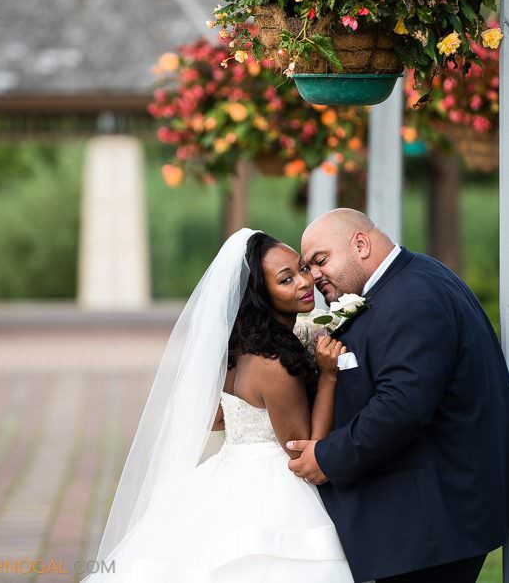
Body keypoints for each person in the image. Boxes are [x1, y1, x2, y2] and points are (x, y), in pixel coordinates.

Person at [81, 229, 357, 583]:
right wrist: (329, 377)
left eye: (303, 269)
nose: (305, 282)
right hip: (276, 491)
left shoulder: (234, 353)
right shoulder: (273, 364)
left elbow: (214, 418)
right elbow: (303, 452)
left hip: (228, 471)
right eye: (286, 279)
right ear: (259, 294)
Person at [287, 208, 509, 583]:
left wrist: (328, 457)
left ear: (360, 244)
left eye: (320, 261)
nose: (314, 276)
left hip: (432, 527)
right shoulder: (407, 280)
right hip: (426, 523)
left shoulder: (412, 297)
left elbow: (403, 406)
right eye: (308, 267)